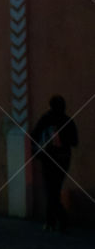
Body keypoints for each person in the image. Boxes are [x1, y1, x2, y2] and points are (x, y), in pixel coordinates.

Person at [31, 94, 78, 232]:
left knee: (51, 191)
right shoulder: (67, 121)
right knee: (54, 191)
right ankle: (55, 222)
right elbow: (74, 142)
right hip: (62, 160)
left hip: (49, 160)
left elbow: (34, 135)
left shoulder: (46, 119)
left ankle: (55, 221)